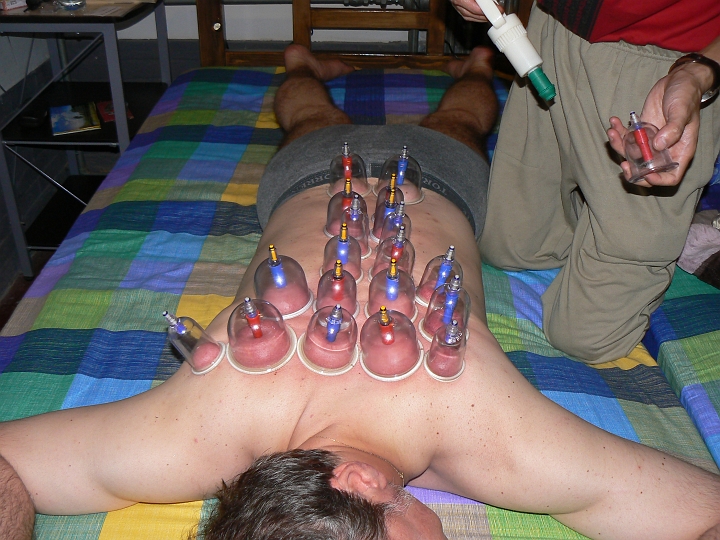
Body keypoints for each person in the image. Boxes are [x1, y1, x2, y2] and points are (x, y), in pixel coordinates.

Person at [1, 45, 720, 540]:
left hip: (320, 180)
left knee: (328, 122)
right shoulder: (189, 438)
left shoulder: (486, 433)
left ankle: (338, 64)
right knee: (451, 125)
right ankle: (455, 68)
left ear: (360, 483)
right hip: (432, 190)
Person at [451, 0, 720, 364]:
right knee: (504, 248)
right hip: (550, 33)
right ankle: (595, 207)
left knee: (586, 337)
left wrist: (700, 71)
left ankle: (616, 219)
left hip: (668, 66)